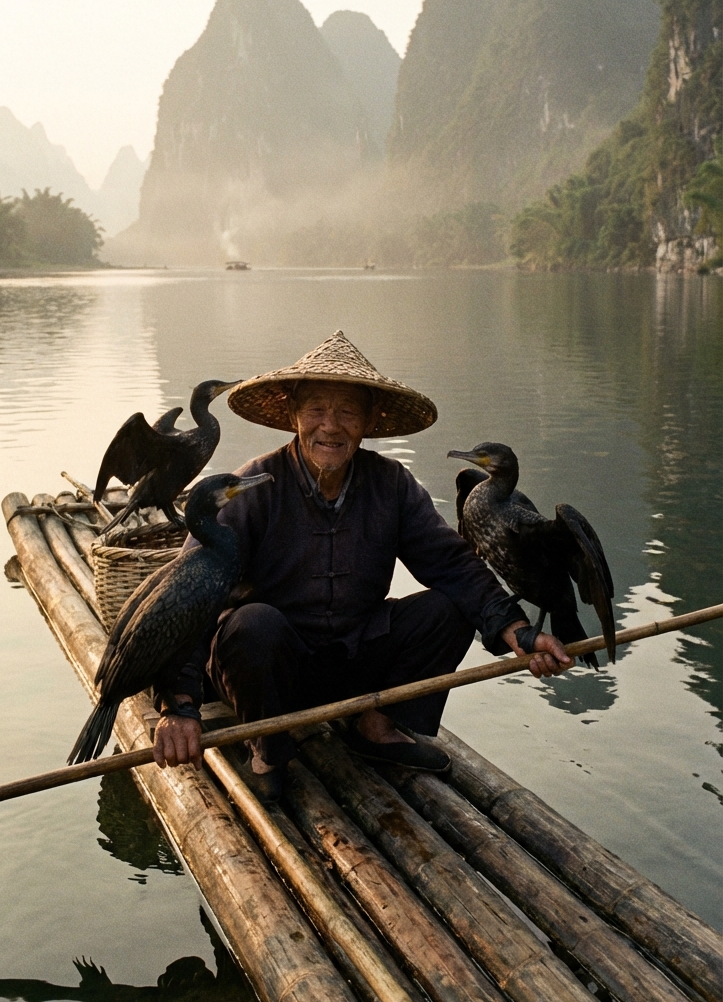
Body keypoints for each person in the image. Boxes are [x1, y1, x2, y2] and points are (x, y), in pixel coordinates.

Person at [153, 331, 572, 797]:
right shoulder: (250, 488)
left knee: (449, 609)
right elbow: (183, 598)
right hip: (272, 669)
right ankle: (267, 745)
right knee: (253, 625)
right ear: (294, 415)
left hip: (356, 657)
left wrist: (518, 629)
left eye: (347, 412)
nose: (330, 426)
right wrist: (179, 704)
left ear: (369, 421)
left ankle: (376, 725)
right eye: (316, 410)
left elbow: (451, 563)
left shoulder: (391, 484)